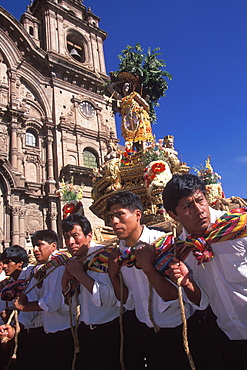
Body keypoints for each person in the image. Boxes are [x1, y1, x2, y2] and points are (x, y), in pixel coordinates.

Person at [106, 191, 208, 369]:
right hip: (145, 333)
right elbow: (128, 303)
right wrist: (113, 275)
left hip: (179, 331)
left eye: (120, 214)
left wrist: (147, 268)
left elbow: (175, 296)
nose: (114, 222)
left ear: (138, 215)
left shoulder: (164, 244)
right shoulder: (118, 255)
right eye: (111, 217)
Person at [162, 174, 247, 369]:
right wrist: (187, 282)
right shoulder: (182, 251)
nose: (199, 210)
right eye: (187, 206)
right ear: (173, 215)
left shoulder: (239, 227)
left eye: (200, 200)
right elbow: (203, 302)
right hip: (228, 340)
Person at [62, 213, 138, 370]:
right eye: (66, 237)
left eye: (76, 236)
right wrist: (65, 281)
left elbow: (111, 298)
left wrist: (80, 275)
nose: (71, 242)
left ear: (89, 236)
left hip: (113, 332)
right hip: (86, 332)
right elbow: (71, 300)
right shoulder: (73, 263)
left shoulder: (105, 256)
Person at [1, 230, 74, 370]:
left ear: (54, 246)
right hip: (49, 333)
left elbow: (53, 302)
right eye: (34, 245)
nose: (35, 250)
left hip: (63, 332)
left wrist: (25, 307)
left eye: (39, 245)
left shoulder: (58, 266)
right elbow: (30, 302)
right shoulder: (39, 271)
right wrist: (16, 328)